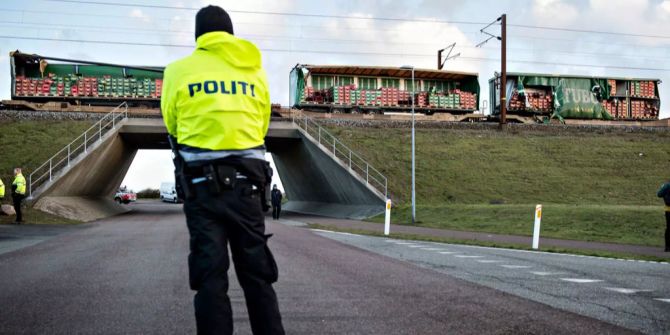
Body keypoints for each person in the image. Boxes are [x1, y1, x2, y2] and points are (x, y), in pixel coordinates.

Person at [161, 5, 284, 335]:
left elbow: (171, 123)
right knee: (257, 276)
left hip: (202, 187)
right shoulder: (254, 71)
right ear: (230, 34)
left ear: (198, 37)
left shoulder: (177, 71)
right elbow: (261, 125)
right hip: (249, 186)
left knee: (210, 278)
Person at [658, 180, 670, 252]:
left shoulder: (667, 185)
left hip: (668, 210)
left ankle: (667, 247)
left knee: (669, 228)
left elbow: (659, 194)